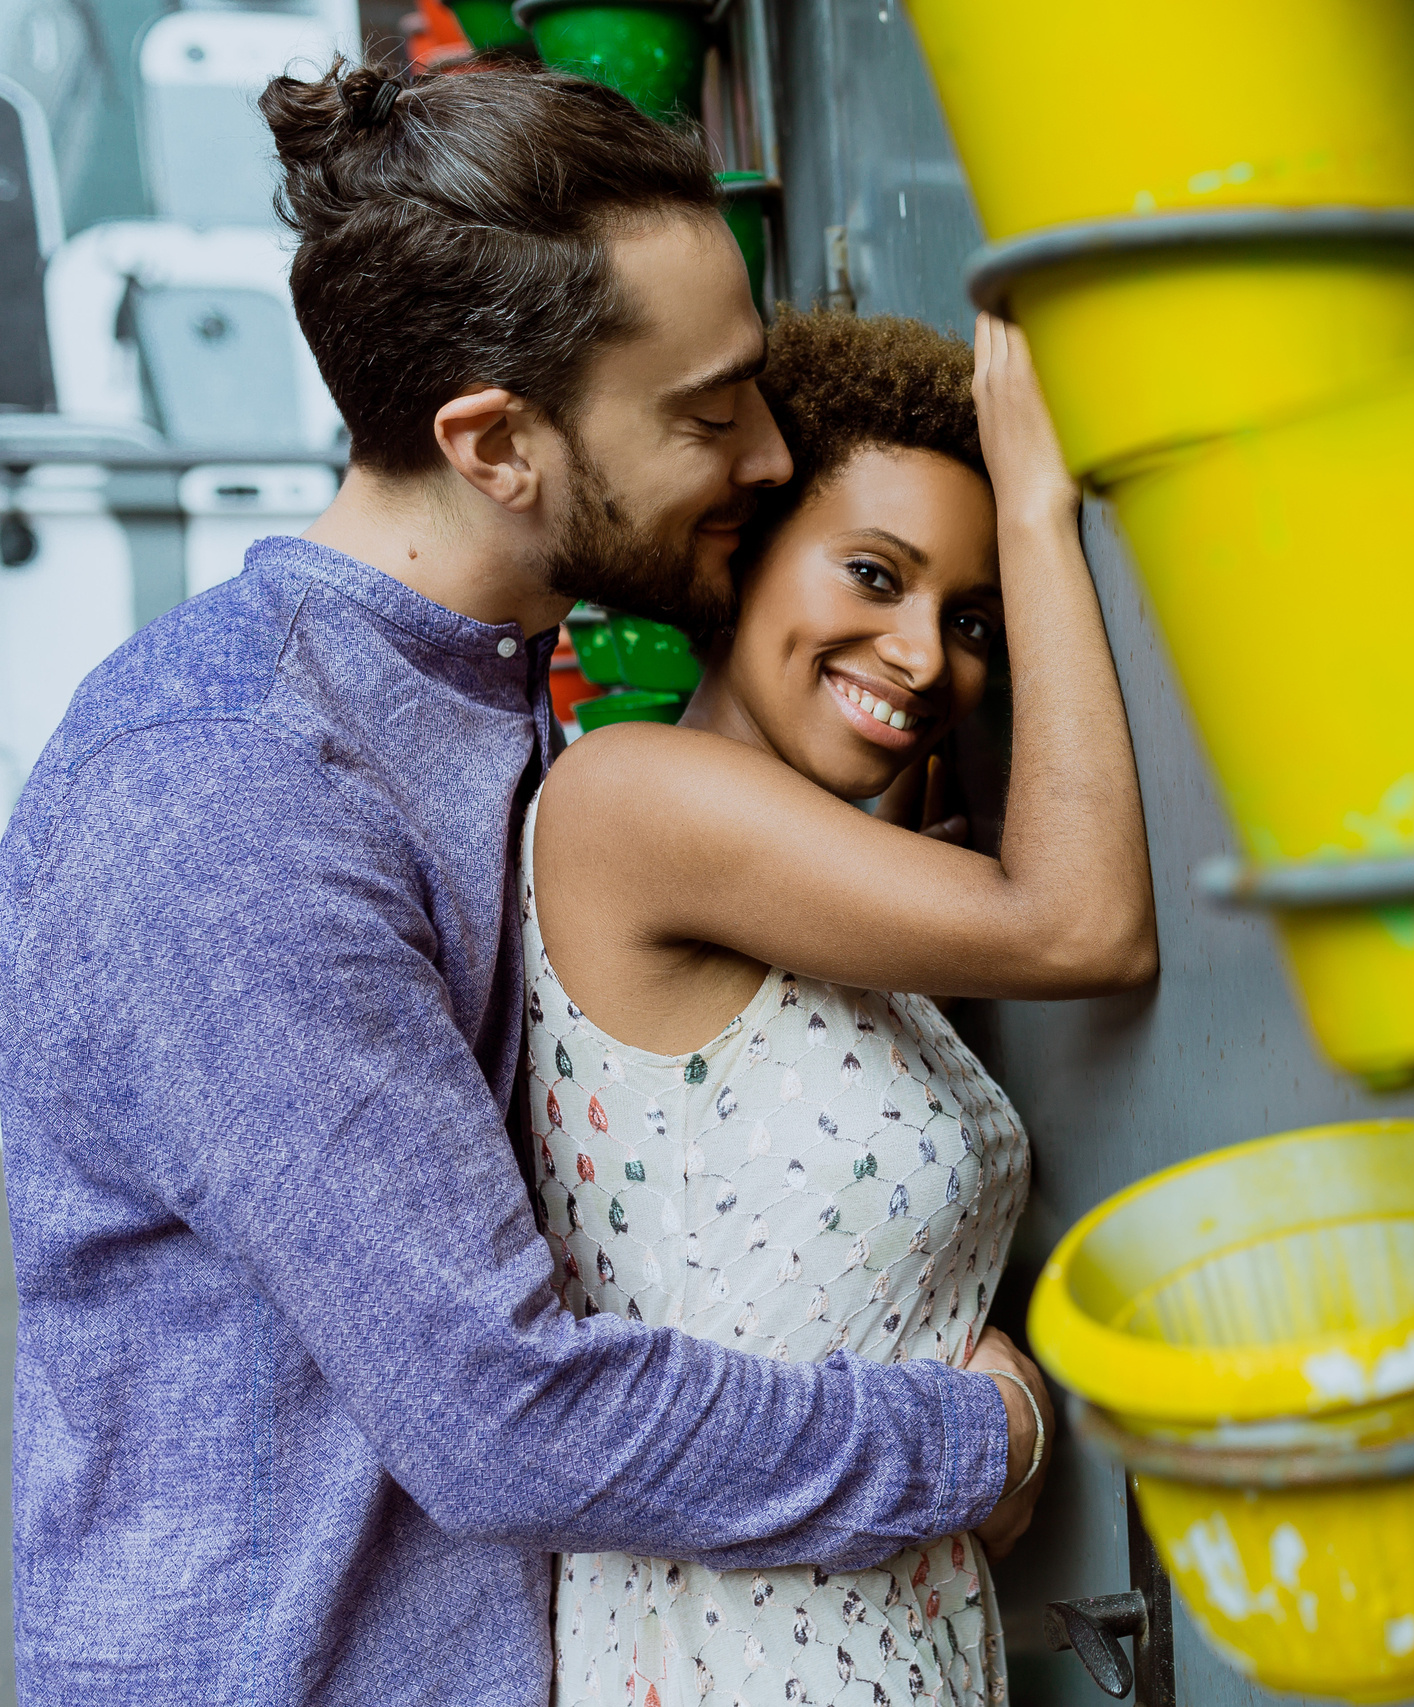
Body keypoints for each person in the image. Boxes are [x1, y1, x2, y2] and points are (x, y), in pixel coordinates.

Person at [0, 55, 1143, 1706]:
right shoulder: (228, 794)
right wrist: (981, 1435)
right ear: (495, 444)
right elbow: (505, 1420)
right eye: (705, 411)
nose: (766, 456)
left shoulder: (487, 708)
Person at [525, 303, 1154, 1700]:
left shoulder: (824, 894)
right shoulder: (631, 798)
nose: (925, 657)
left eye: (969, 616)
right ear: (738, 559)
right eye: (874, 574)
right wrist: (1042, 512)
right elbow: (1082, 923)